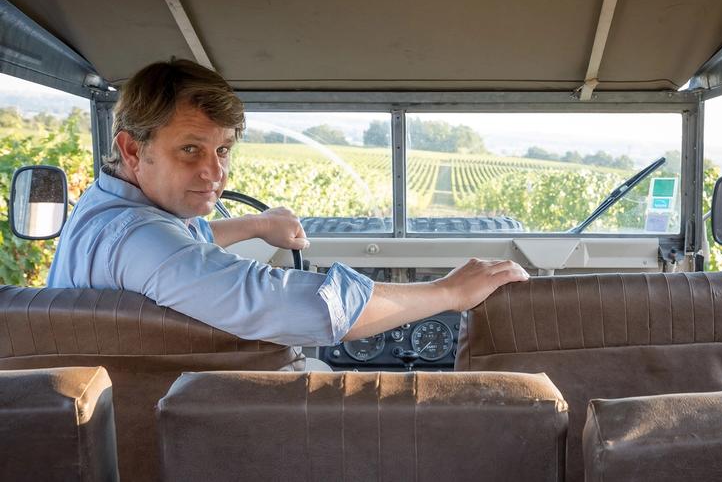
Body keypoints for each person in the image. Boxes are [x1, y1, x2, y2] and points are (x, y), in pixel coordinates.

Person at [47, 59, 529, 346]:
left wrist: (257, 225)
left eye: (223, 150)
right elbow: (301, 308)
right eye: (190, 149)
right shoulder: (138, 238)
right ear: (133, 148)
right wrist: (448, 293)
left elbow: (178, 248)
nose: (215, 172)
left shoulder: (109, 208)